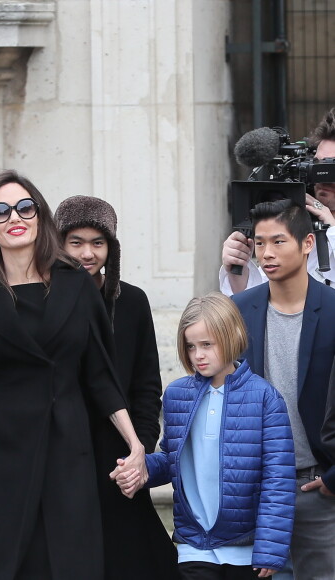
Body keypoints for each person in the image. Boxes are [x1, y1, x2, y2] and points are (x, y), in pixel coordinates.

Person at [0, 170, 146, 580]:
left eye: (25, 207)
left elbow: (101, 377)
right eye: (1, 210)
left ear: (39, 216)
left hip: (68, 450)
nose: (16, 216)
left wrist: (135, 443)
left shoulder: (76, 286)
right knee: (6, 564)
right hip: (1, 456)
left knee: (69, 562)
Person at [116, 292, 296, 579]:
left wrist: (270, 548)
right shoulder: (176, 395)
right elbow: (173, 460)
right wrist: (142, 469)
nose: (198, 355)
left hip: (245, 548)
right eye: (190, 346)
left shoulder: (265, 398)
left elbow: (278, 479)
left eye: (207, 345)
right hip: (193, 545)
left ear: (232, 335)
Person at [54, 195, 178, 580]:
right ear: (58, 243)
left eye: (98, 242)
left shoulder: (133, 302)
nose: (87, 253)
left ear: (112, 247)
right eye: (76, 242)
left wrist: (139, 454)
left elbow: (145, 387)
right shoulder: (44, 302)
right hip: (61, 458)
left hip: (119, 461)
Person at [231, 199, 335, 579]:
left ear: (308, 243)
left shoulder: (333, 309)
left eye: (278, 242)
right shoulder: (238, 309)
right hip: (254, 487)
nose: (266, 254)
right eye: (259, 243)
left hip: (317, 484)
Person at [220, 108, 335, 295]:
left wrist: (332, 232)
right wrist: (237, 269)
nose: (322, 177)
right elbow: (258, 301)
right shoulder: (298, 225)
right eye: (317, 164)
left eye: (331, 167)